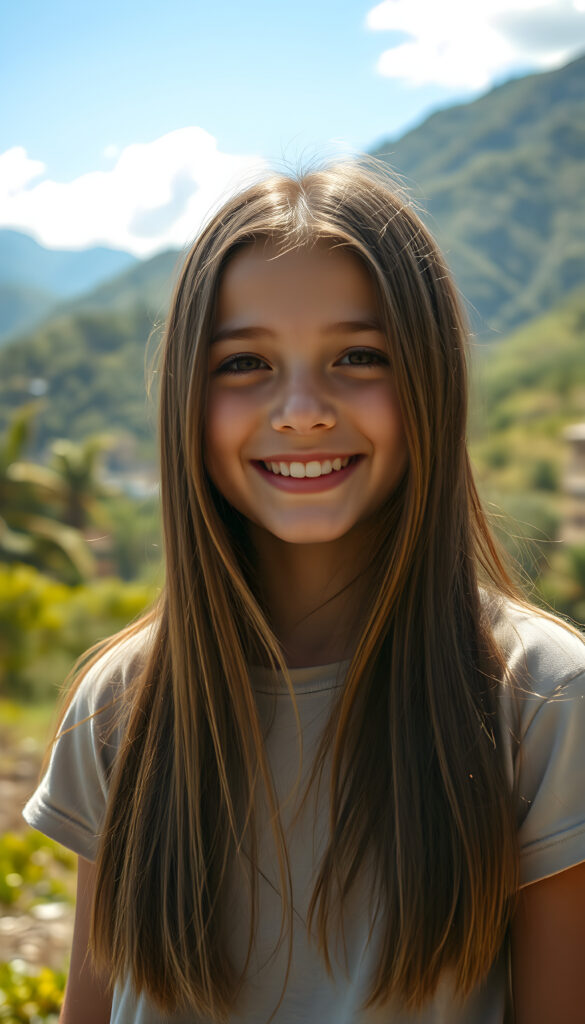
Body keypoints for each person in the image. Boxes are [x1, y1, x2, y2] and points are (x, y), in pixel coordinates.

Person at [23, 162, 585, 1024]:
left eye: (358, 356)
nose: (300, 410)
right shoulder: (123, 701)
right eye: (244, 362)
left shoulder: (542, 699)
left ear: (430, 381)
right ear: (185, 396)